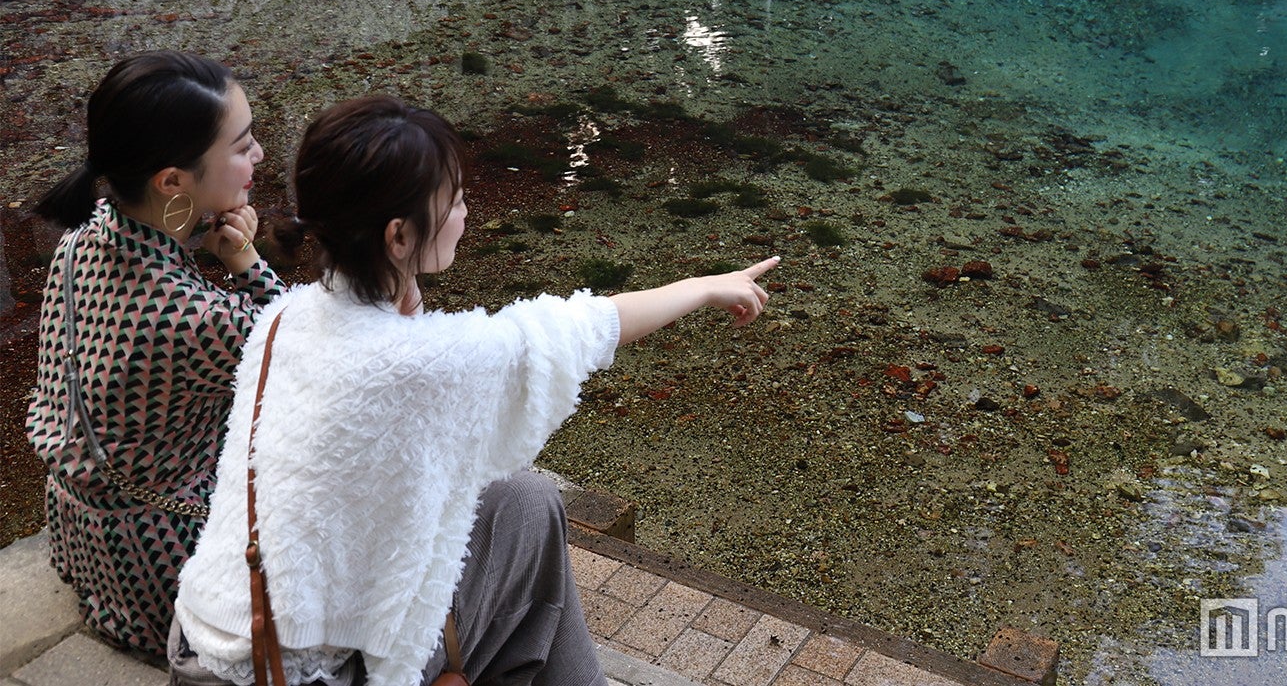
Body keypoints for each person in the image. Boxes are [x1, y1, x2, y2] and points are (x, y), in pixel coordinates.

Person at [169, 94, 778, 686]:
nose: (465, 214)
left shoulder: (286, 316)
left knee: (519, 499)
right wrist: (703, 286)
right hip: (298, 674)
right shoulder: (425, 360)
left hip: (205, 636)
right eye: (456, 200)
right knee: (531, 510)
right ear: (399, 237)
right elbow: (583, 328)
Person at [26, 51, 281, 655]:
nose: (260, 156)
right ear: (172, 182)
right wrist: (245, 262)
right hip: (167, 565)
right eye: (242, 146)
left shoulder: (82, 239)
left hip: (82, 533)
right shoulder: (197, 320)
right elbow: (305, 346)